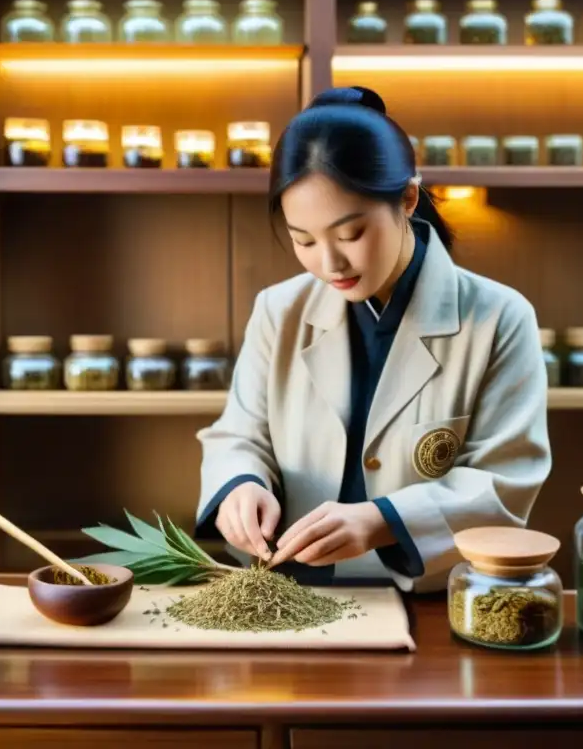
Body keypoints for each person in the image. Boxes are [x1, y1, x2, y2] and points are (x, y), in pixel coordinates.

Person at [193, 86, 552, 593]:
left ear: (407, 198)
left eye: (350, 234)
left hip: (432, 596)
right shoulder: (279, 310)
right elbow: (239, 436)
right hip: (293, 591)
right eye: (304, 241)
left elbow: (504, 481)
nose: (329, 263)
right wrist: (241, 486)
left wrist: (381, 520)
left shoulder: (499, 317)